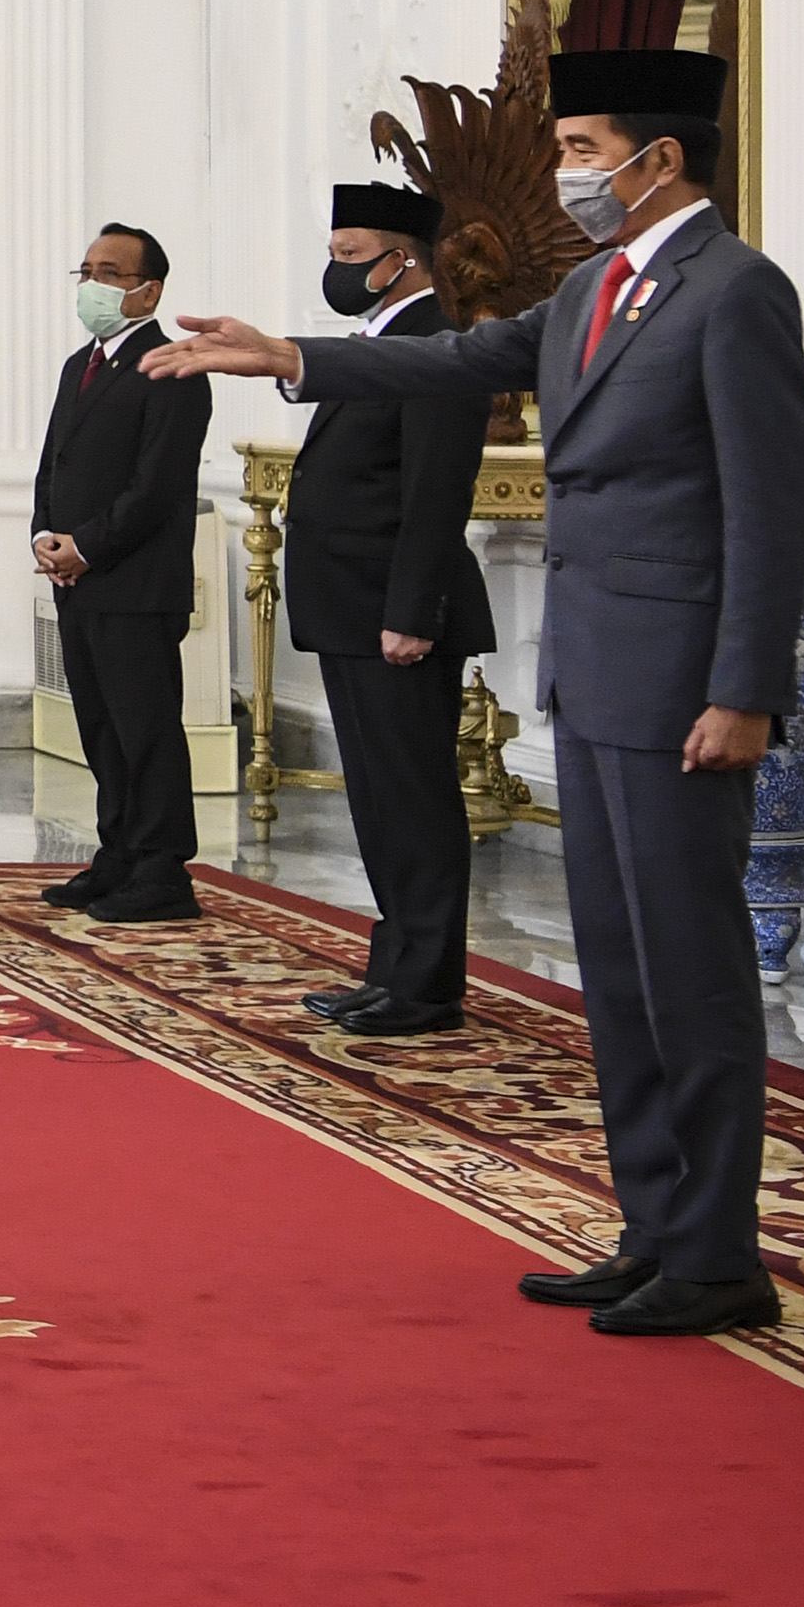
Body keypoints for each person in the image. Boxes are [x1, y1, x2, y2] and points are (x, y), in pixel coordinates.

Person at [146, 52, 804, 1337]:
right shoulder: (588, 296)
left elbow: (771, 509)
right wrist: (287, 351)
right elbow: (453, 363)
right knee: (618, 972)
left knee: (690, 968)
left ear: (655, 160)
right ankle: (654, 1229)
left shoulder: (735, 293)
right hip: (600, 670)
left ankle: (719, 1253)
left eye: (578, 147)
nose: (567, 174)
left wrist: (746, 690)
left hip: (686, 687)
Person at [281, 182, 494, 1037]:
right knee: (376, 800)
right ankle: (395, 967)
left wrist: (412, 611)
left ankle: (430, 984)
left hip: (397, 617)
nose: (336, 270)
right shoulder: (376, 340)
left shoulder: (438, 346)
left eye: (349, 255)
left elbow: (436, 493)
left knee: (414, 799)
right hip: (351, 612)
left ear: (400, 259)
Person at [32, 223, 216, 926]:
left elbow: (157, 487)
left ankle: (163, 867)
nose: (93, 285)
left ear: (148, 289)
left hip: (135, 582)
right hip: (79, 581)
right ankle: (119, 852)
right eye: (86, 270)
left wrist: (89, 547)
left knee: (146, 729)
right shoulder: (81, 363)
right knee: (101, 727)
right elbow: (55, 461)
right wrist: (46, 534)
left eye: (110, 272)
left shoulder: (172, 366)